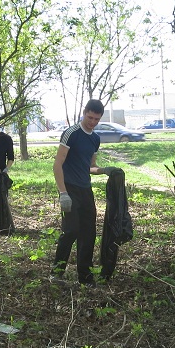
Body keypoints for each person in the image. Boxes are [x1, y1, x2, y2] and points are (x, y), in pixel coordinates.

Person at [52, 99, 116, 285]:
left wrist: (104, 170)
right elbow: (58, 164)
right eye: (90, 117)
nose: (93, 122)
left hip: (85, 190)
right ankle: (56, 273)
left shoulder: (95, 138)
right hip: (69, 187)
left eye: (97, 119)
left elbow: (91, 166)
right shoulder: (71, 133)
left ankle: (85, 277)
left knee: (88, 233)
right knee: (71, 230)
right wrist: (63, 193)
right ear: (84, 112)